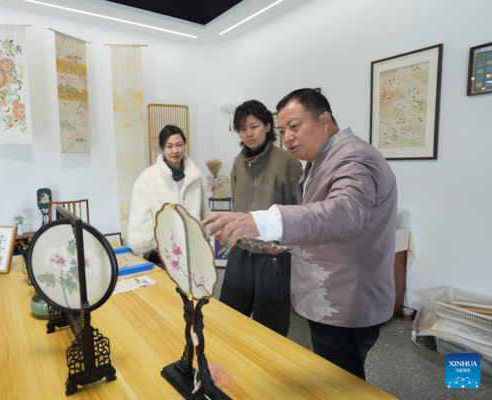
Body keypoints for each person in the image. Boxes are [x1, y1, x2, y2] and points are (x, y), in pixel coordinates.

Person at [203, 89, 397, 380]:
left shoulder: (354, 157)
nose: (288, 136)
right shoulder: (320, 161)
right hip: (324, 296)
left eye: (295, 126)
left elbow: (343, 213)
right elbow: (317, 224)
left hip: (345, 303)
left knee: (340, 384)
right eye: (283, 130)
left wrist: (263, 221)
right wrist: (286, 244)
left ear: (324, 119)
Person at [219, 100, 303, 336]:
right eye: (243, 129)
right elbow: (237, 204)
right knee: (230, 315)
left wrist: (285, 246)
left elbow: (299, 211)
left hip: (272, 253)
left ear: (268, 126)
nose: (249, 133)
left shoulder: (286, 162)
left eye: (254, 126)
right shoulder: (238, 162)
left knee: (271, 324)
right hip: (241, 251)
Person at [127, 125, 205, 262]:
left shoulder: (195, 177)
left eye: (179, 145)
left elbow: (202, 213)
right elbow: (140, 216)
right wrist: (152, 245)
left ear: (185, 146)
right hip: (160, 251)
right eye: (169, 146)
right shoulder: (148, 177)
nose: (175, 150)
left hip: (191, 248)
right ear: (162, 148)